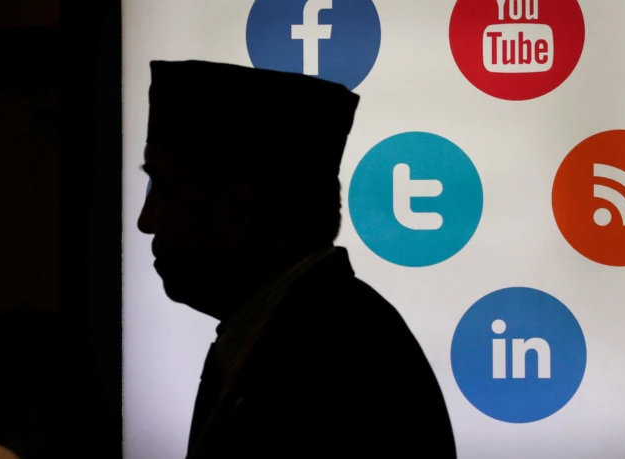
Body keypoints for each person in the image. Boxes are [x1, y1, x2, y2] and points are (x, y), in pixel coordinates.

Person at [137, 60, 456, 458]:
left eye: (163, 189)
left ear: (232, 210)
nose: (145, 221)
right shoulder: (321, 340)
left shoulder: (340, 369)